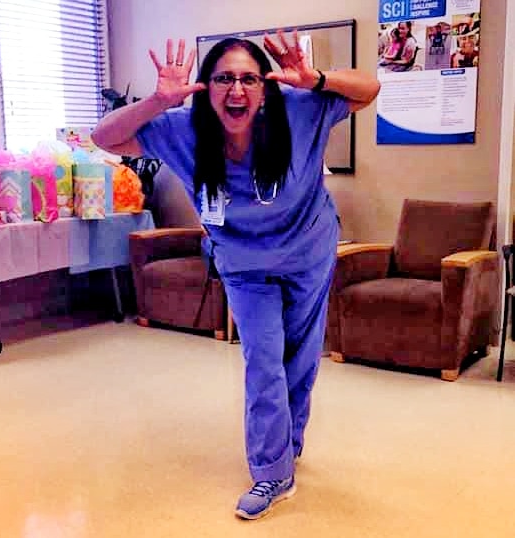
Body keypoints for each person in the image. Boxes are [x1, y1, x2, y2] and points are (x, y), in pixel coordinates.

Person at [91, 30, 380, 520]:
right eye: (224, 78)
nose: (237, 90)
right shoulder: (183, 127)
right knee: (264, 359)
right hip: (244, 267)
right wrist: (159, 100)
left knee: (300, 359)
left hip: (309, 253)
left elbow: (369, 89)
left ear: (265, 89)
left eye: (249, 78)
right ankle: (272, 471)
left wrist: (318, 78)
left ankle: (288, 443)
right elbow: (104, 137)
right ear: (206, 88)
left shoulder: (299, 108)